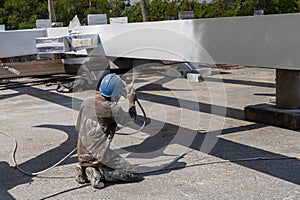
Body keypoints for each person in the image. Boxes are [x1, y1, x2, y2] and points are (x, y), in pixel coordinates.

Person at [75, 73, 142, 189]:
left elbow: (78, 127)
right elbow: (131, 120)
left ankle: (84, 169)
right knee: (133, 173)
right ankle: (99, 173)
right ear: (116, 95)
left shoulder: (86, 102)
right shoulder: (112, 109)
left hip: (82, 154)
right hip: (99, 156)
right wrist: (131, 102)